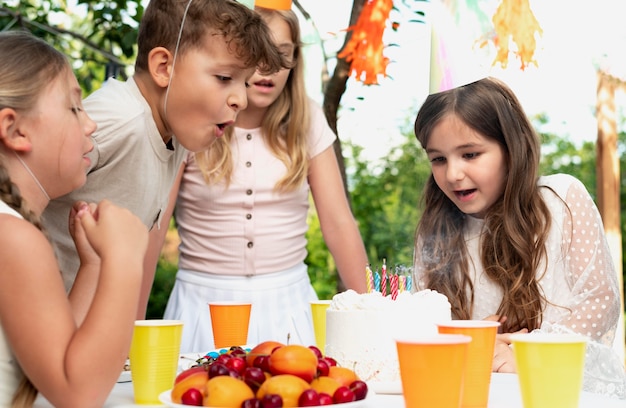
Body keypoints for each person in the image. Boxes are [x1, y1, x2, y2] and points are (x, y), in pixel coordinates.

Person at [41, 0, 285, 320]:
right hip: (36, 330)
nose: (241, 99)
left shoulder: (174, 135)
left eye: (245, 82)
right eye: (225, 78)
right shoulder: (117, 119)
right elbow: (18, 185)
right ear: (163, 67)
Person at [156, 5, 369, 353]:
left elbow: (338, 222)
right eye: (259, 54)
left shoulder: (308, 120)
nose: (268, 67)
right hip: (201, 306)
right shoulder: (192, 124)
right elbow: (155, 225)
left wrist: (370, 314)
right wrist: (129, 330)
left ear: (294, 62)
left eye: (282, 55)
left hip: (289, 307)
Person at [411, 77, 625, 399]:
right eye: (438, 159)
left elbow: (600, 300)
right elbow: (425, 326)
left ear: (511, 149)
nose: (452, 173)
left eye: (470, 155)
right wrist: (474, 344)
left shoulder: (560, 200)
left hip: (563, 390)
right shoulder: (436, 234)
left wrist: (530, 355)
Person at [0, 31, 149, 407]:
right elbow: (77, 394)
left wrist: (94, 265)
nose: (90, 125)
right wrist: (125, 259)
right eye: (74, 108)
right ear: (15, 130)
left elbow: (61, 359)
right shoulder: (13, 237)